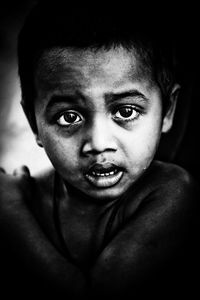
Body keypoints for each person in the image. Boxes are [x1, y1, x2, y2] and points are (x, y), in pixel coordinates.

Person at [0, 1, 199, 298]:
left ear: (167, 110)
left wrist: (12, 212)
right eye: (69, 117)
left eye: (126, 112)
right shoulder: (32, 194)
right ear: (34, 122)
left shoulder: (171, 192)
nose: (98, 143)